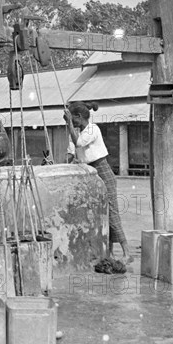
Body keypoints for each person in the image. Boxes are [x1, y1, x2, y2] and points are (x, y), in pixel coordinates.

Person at [65, 101, 133, 264]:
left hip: (103, 172)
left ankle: (127, 252)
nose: (71, 123)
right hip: (91, 174)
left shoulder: (92, 129)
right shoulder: (77, 132)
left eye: (72, 119)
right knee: (100, 213)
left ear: (79, 117)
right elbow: (72, 151)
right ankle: (107, 252)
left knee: (112, 212)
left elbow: (79, 143)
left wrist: (68, 124)